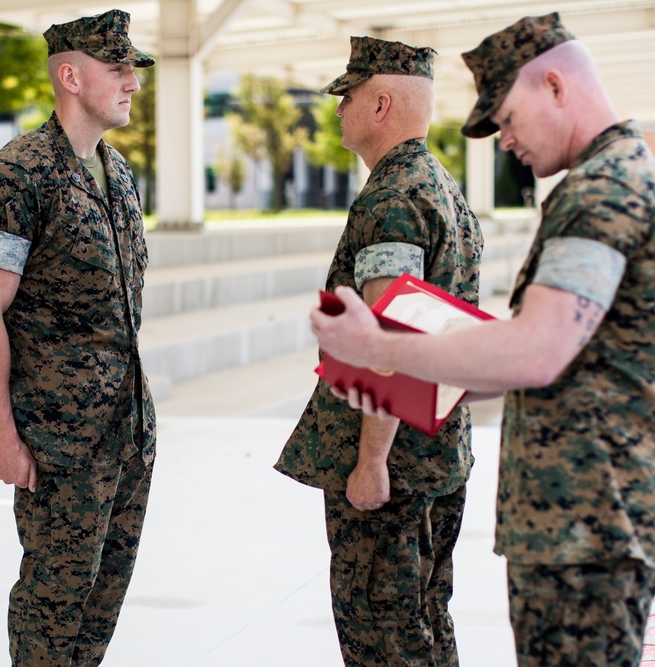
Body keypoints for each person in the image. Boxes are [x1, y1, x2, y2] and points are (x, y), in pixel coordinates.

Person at [310, 13, 655, 667]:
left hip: (591, 522)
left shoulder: (604, 193)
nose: (504, 140)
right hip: (583, 517)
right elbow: (525, 354)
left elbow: (535, 349)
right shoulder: (601, 184)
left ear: (555, 85)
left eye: (507, 116)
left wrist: (378, 349)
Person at [0, 9, 156, 666]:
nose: (131, 82)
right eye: (116, 68)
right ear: (70, 76)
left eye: (133, 69)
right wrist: (2, 436)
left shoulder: (116, 173)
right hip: (57, 439)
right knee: (52, 599)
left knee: (102, 596)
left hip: (125, 430)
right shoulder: (13, 178)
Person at [274, 36, 483, 667]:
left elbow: (390, 335)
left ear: (381, 104)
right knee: (424, 620)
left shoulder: (393, 199)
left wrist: (371, 461)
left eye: (348, 98)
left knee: (384, 632)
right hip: (438, 448)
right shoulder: (439, 184)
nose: (337, 111)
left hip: (396, 465)